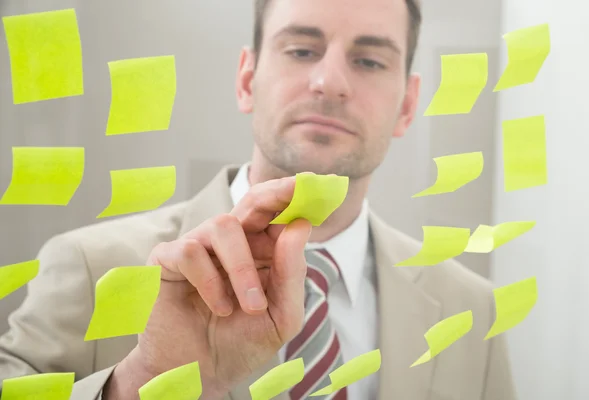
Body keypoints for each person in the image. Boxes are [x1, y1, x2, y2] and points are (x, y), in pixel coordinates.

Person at [0, 0, 518, 398]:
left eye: (368, 60)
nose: (329, 81)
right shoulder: (91, 268)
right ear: (247, 80)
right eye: (301, 50)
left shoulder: (473, 312)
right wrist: (145, 382)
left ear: (407, 106)